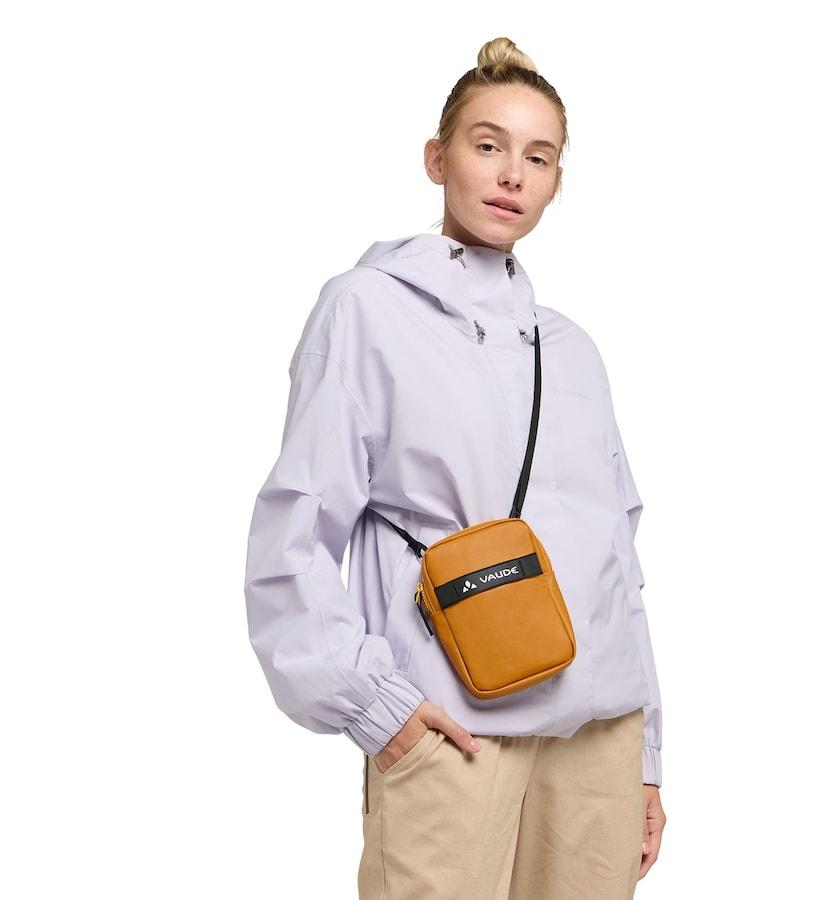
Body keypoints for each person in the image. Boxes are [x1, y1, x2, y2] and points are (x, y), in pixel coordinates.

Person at [244, 36, 667, 899]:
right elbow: (298, 526)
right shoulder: (365, 309)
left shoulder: (573, 349)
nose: (512, 174)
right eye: (487, 145)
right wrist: (376, 708)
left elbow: (617, 563)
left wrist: (647, 757)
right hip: (454, 725)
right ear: (438, 159)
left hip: (599, 740)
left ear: (555, 180)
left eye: (537, 157)